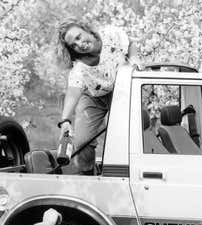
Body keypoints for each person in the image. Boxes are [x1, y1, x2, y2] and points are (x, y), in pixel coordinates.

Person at [55, 19, 141, 175]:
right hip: (94, 96)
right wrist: (65, 120)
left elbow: (130, 43)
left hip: (120, 89)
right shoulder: (79, 67)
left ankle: (133, 171)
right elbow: (73, 92)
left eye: (79, 37)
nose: (80, 44)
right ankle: (87, 174)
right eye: (74, 44)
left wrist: (134, 62)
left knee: (134, 127)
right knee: (81, 141)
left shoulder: (110, 35)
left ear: (86, 29)